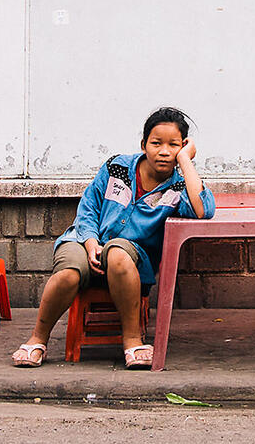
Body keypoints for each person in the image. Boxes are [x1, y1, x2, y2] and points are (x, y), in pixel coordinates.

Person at [12, 106, 215, 369]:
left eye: (173, 145)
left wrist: (185, 161)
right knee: (69, 273)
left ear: (184, 146)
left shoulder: (178, 185)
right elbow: (88, 207)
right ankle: (37, 340)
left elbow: (203, 210)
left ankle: (132, 341)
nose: (164, 151)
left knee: (118, 253)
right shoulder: (117, 167)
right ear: (144, 144)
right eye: (156, 143)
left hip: (130, 256)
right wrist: (90, 241)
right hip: (85, 241)